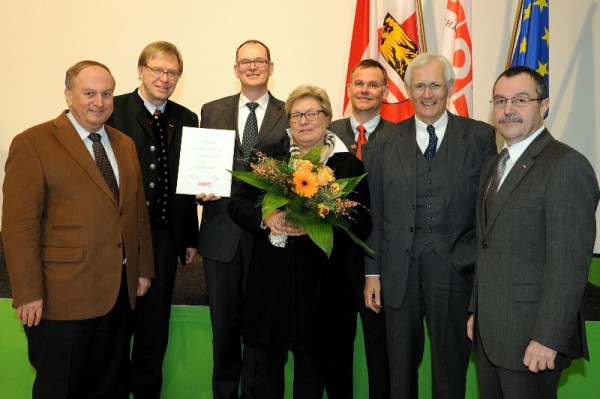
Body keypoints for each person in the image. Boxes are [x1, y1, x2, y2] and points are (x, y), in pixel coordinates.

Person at [1, 60, 154, 398]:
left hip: (117, 297)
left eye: (106, 93)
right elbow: (18, 226)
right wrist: (27, 293)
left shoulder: (124, 144)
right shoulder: (33, 143)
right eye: (89, 93)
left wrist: (142, 269)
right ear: (69, 94)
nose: (98, 102)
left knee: (109, 387)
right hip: (60, 300)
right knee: (61, 388)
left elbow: (135, 213)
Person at [364, 53, 496, 399]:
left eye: (435, 85)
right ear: (408, 89)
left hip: (456, 271)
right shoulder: (382, 144)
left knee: (450, 371)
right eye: (419, 85)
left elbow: (488, 213)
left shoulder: (481, 137)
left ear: (449, 88)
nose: (427, 93)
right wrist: (372, 273)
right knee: (399, 373)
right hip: (397, 272)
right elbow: (374, 215)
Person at [229, 85, 372, 398]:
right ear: (289, 120)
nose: (305, 121)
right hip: (272, 285)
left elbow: (362, 222)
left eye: (312, 113)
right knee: (264, 373)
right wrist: (266, 219)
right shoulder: (267, 157)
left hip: (321, 290)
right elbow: (237, 203)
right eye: (297, 115)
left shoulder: (347, 164)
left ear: (327, 117)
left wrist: (318, 223)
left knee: (311, 374)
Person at [467, 66, 599, 398]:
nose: (508, 109)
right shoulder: (493, 164)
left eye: (521, 100)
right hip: (490, 332)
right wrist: (476, 309)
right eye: (500, 100)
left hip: (532, 340)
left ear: (544, 106)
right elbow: (487, 246)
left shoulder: (566, 165)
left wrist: (548, 338)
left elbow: (568, 265)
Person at [107, 41, 199, 398]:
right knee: (117, 325)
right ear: (141, 70)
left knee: (153, 329)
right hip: (120, 237)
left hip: (163, 239)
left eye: (172, 72)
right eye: (157, 70)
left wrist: (189, 238)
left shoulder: (186, 118)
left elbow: (188, 185)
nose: (164, 78)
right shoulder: (114, 111)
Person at [196, 39, 288, 398]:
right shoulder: (211, 109)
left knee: (262, 327)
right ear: (235, 69)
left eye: (259, 61)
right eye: (245, 62)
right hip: (220, 235)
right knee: (223, 327)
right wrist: (199, 185)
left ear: (270, 66)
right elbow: (202, 161)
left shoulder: (289, 112)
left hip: (267, 235)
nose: (252, 67)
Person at [328, 58, 392, 398]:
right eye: (359, 83)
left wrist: (376, 269)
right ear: (349, 88)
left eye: (373, 84)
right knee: (336, 351)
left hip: (379, 261)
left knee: (381, 353)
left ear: (385, 90)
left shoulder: (400, 135)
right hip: (335, 263)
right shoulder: (326, 133)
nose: (365, 90)